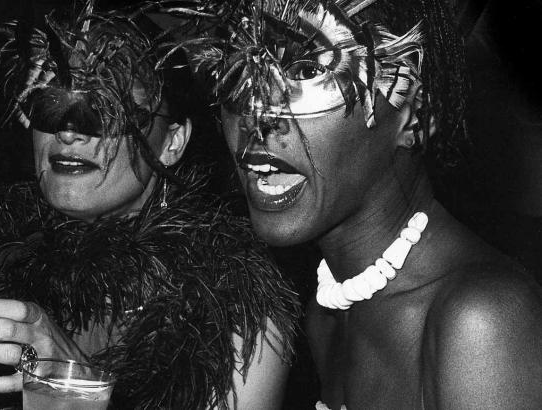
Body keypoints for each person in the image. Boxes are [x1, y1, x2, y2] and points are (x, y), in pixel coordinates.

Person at [0, 2, 302, 409]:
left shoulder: (236, 316)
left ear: (173, 142)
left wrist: (77, 387)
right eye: (51, 104)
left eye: (104, 109)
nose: (68, 131)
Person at [168, 0, 542, 408]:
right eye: (238, 68)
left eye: (307, 70)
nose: (256, 115)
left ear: (415, 113)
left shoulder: (480, 322)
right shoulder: (327, 312)